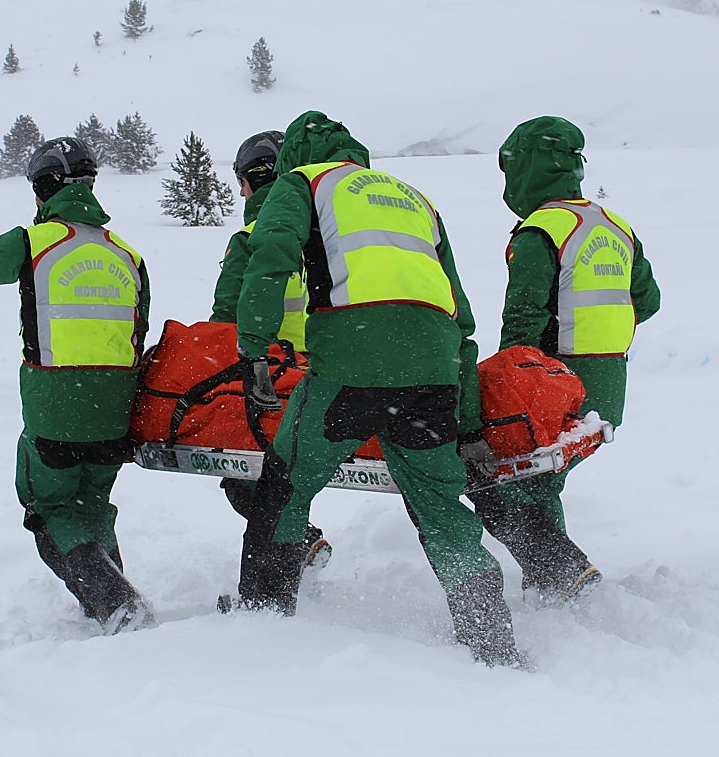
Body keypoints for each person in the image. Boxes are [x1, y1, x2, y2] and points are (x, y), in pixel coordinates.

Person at [231, 110, 526, 667]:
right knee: (440, 506)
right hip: (435, 367)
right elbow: (461, 315)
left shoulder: (304, 183)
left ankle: (262, 613)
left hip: (352, 364)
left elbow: (270, 259)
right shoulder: (415, 199)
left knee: (285, 484)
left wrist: (254, 347)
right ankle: (491, 639)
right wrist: (464, 414)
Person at [0, 136, 153, 634]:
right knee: (93, 503)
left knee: (49, 506)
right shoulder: (126, 254)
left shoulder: (32, 241)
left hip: (56, 405)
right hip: (116, 407)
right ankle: (111, 597)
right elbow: (139, 330)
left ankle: (116, 605)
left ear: (44, 188)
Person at [466, 115, 661, 605]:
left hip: (553, 382)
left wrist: (510, 374)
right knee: (540, 478)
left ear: (526, 167)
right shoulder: (616, 226)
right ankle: (552, 582)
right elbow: (649, 299)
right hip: (609, 382)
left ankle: (559, 576)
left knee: (504, 479)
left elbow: (523, 317)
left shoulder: (542, 230)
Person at [209, 130, 331, 570]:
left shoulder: (251, 238)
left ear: (254, 181)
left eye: (242, 182)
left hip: (270, 382)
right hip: (322, 382)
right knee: (284, 476)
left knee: (244, 477)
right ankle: (298, 546)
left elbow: (225, 323)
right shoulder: (325, 237)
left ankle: (285, 563)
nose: (241, 193)